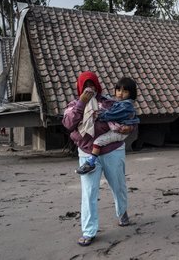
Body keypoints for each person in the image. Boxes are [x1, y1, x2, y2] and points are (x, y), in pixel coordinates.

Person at [62, 71, 135, 247]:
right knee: (88, 193)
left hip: (112, 151)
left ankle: (122, 211)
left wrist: (129, 128)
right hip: (87, 153)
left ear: (98, 86)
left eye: (92, 85)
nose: (89, 88)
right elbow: (69, 124)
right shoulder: (73, 105)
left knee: (118, 186)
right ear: (80, 87)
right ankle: (89, 231)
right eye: (86, 85)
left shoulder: (110, 103)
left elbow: (130, 119)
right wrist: (83, 103)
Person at [76, 77, 140, 175]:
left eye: (125, 91)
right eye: (118, 90)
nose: (120, 93)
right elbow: (69, 124)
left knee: (98, 142)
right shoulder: (75, 104)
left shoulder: (125, 105)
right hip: (85, 149)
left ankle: (91, 163)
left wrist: (98, 115)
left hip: (119, 133)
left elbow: (113, 115)